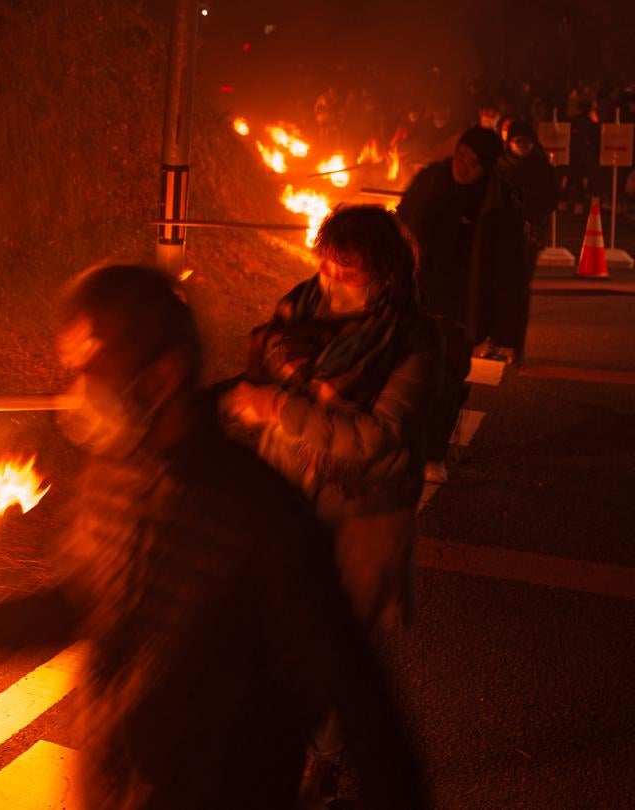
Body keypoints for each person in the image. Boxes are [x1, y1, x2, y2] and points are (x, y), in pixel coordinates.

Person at [0, 265, 425, 809]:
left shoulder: (262, 517)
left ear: (162, 376)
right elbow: (90, 599)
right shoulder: (112, 477)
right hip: (115, 789)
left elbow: (358, 695)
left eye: (93, 367)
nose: (79, 391)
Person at [222, 205, 442, 801]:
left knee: (335, 645)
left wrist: (279, 410)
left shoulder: (411, 341)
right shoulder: (297, 311)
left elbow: (373, 437)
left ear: (385, 275)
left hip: (365, 512)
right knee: (269, 628)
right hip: (288, 496)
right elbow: (267, 374)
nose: (331, 281)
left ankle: (327, 758)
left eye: (349, 272)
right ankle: (271, 750)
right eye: (326, 265)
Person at [397, 127, 529, 478]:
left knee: (447, 380)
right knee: (410, 376)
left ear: (487, 166)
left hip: (463, 308)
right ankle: (404, 445)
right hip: (417, 299)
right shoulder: (431, 181)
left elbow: (510, 273)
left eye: (474, 162)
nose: (464, 167)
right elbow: (400, 226)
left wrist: (509, 333)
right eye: (460, 156)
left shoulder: (497, 203)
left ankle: (434, 454)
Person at [498, 123, 559, 364]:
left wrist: (531, 216)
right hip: (502, 235)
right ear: (509, 143)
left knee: (520, 289)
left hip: (530, 234)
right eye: (517, 142)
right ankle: (494, 340)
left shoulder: (542, 167)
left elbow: (551, 198)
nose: (522, 146)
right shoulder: (499, 166)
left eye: (526, 142)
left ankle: (516, 345)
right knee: (497, 287)